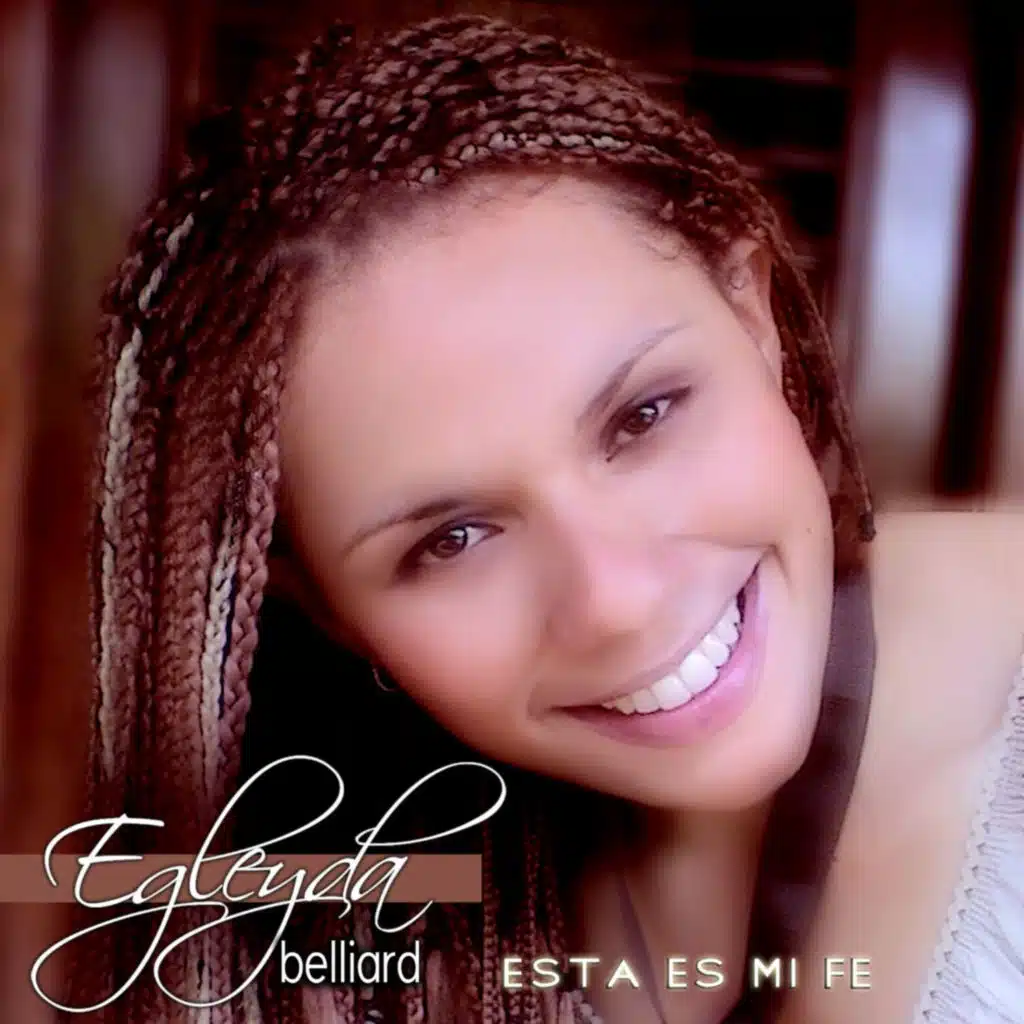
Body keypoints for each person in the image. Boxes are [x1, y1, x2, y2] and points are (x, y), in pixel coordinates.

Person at [78, 12, 1023, 1024]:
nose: (615, 601)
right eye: (452, 541)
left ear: (753, 317)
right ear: (327, 607)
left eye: (644, 416)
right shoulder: (373, 922)